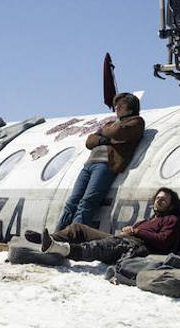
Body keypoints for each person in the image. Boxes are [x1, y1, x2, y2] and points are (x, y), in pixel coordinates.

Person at [55, 93, 145, 231]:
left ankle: (72, 235)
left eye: (122, 104)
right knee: (72, 201)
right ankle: (58, 233)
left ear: (131, 108)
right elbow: (89, 141)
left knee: (87, 202)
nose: (117, 107)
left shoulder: (136, 122)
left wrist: (103, 133)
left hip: (106, 165)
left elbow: (118, 132)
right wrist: (106, 137)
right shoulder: (110, 124)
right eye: (116, 104)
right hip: (90, 164)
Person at [31, 187, 180, 264]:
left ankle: (60, 248)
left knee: (98, 246)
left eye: (163, 200)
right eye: (157, 198)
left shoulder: (171, 219)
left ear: (171, 205)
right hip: (122, 240)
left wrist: (136, 231)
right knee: (78, 228)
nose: (158, 201)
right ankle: (48, 239)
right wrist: (129, 231)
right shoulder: (146, 221)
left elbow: (163, 241)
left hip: (136, 247)